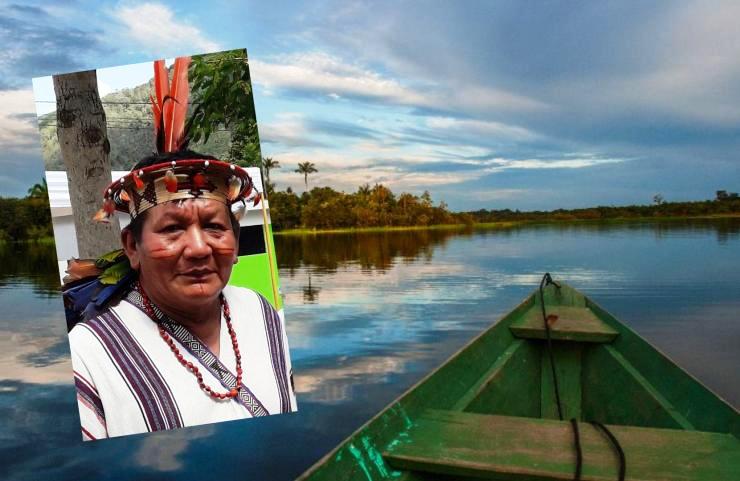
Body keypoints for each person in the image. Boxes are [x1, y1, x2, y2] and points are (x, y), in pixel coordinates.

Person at [67, 56, 295, 440]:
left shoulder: (261, 310)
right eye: (172, 229)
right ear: (132, 247)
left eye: (214, 226)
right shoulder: (88, 357)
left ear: (235, 243)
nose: (198, 247)